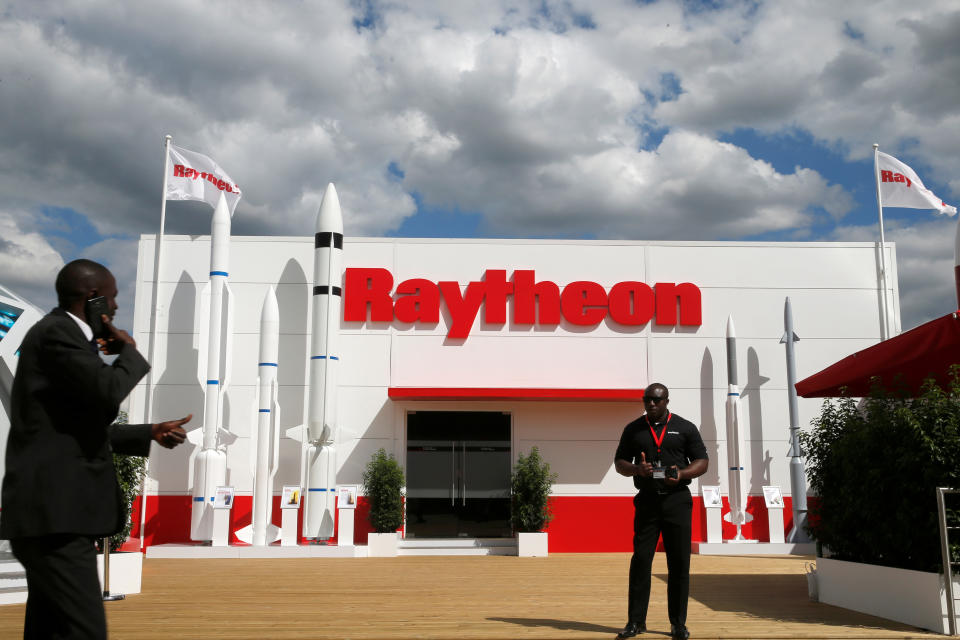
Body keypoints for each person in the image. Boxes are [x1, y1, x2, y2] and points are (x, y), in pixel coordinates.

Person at [0, 259, 191, 640]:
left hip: (52, 519)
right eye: (113, 298)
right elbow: (106, 394)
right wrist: (130, 353)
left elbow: (71, 429)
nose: (117, 308)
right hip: (57, 519)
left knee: (51, 630)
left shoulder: (62, 337)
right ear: (94, 298)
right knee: (85, 630)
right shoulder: (57, 333)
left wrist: (149, 431)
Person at [614, 383, 708, 640]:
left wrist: (682, 473)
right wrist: (636, 470)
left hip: (677, 501)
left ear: (667, 401)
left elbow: (702, 461)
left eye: (656, 400)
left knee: (678, 564)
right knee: (641, 561)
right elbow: (619, 462)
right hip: (647, 502)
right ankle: (636, 622)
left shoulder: (685, 427)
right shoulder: (633, 429)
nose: (651, 404)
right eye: (647, 400)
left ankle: (678, 624)